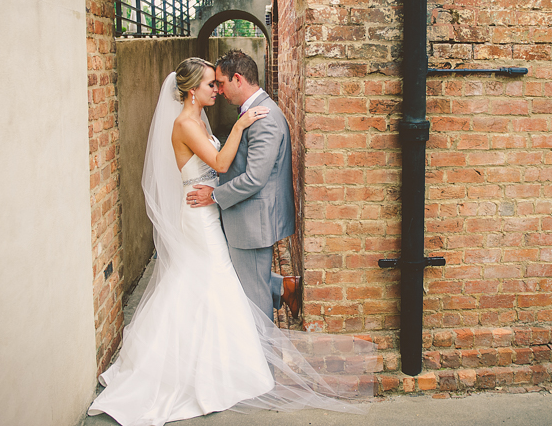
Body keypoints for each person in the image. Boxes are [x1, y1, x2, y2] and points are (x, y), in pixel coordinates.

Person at [87, 58, 376, 426]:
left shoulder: (221, 118)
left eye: (219, 83)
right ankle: (234, 361)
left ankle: (246, 348)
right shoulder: (187, 123)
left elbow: (237, 171)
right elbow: (222, 165)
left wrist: (219, 185)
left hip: (213, 210)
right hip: (199, 214)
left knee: (220, 282)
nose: (217, 90)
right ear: (193, 90)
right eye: (211, 85)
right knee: (214, 281)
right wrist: (239, 125)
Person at [187, 50, 300, 321]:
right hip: (248, 218)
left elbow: (254, 178)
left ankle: (263, 359)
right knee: (247, 279)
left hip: (252, 221)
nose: (220, 91)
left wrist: (215, 196)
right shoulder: (254, 112)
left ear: (238, 79)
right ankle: (282, 286)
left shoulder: (264, 119)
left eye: (222, 83)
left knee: (253, 296)